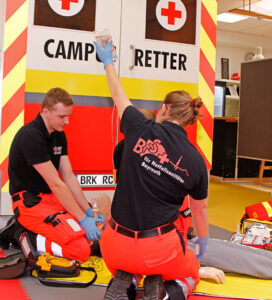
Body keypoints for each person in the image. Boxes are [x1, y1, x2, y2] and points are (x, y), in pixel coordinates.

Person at [94, 40, 209, 300]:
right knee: (192, 271)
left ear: (163, 109)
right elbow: (200, 209)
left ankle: (128, 280)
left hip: (113, 246)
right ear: (191, 120)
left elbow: (118, 94)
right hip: (158, 250)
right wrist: (204, 241)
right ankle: (165, 292)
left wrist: (108, 62)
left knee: (130, 260)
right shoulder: (195, 160)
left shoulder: (138, 128)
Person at [6, 88, 104, 262]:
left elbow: (68, 177)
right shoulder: (31, 136)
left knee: (96, 232)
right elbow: (56, 183)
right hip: (30, 203)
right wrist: (82, 218)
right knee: (80, 251)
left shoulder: (59, 135)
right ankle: (23, 234)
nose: (67, 121)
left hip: (51, 199)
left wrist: (87, 211)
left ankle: (44, 232)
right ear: (45, 111)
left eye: (69, 116)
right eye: (61, 116)